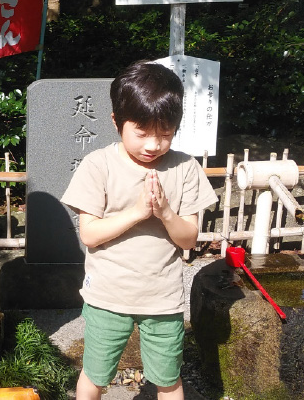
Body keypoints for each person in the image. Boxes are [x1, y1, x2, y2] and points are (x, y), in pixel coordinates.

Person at [61, 60, 217, 400]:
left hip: (163, 298)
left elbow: (189, 238)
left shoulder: (185, 168)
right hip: (107, 295)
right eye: (142, 133)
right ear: (117, 122)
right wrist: (137, 211)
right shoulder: (98, 165)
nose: (153, 145)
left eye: (165, 134)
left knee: (168, 379)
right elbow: (89, 234)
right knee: (95, 375)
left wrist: (164, 212)